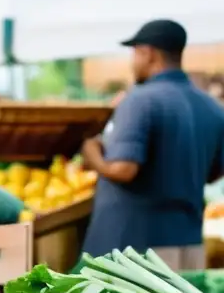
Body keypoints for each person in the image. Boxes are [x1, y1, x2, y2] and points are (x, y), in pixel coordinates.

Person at [80, 19, 224, 269]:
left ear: (148, 54)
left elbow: (123, 169)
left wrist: (91, 153)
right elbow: (213, 173)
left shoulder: (141, 100)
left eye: (135, 53)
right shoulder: (212, 107)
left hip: (134, 251)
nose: (133, 62)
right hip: (188, 244)